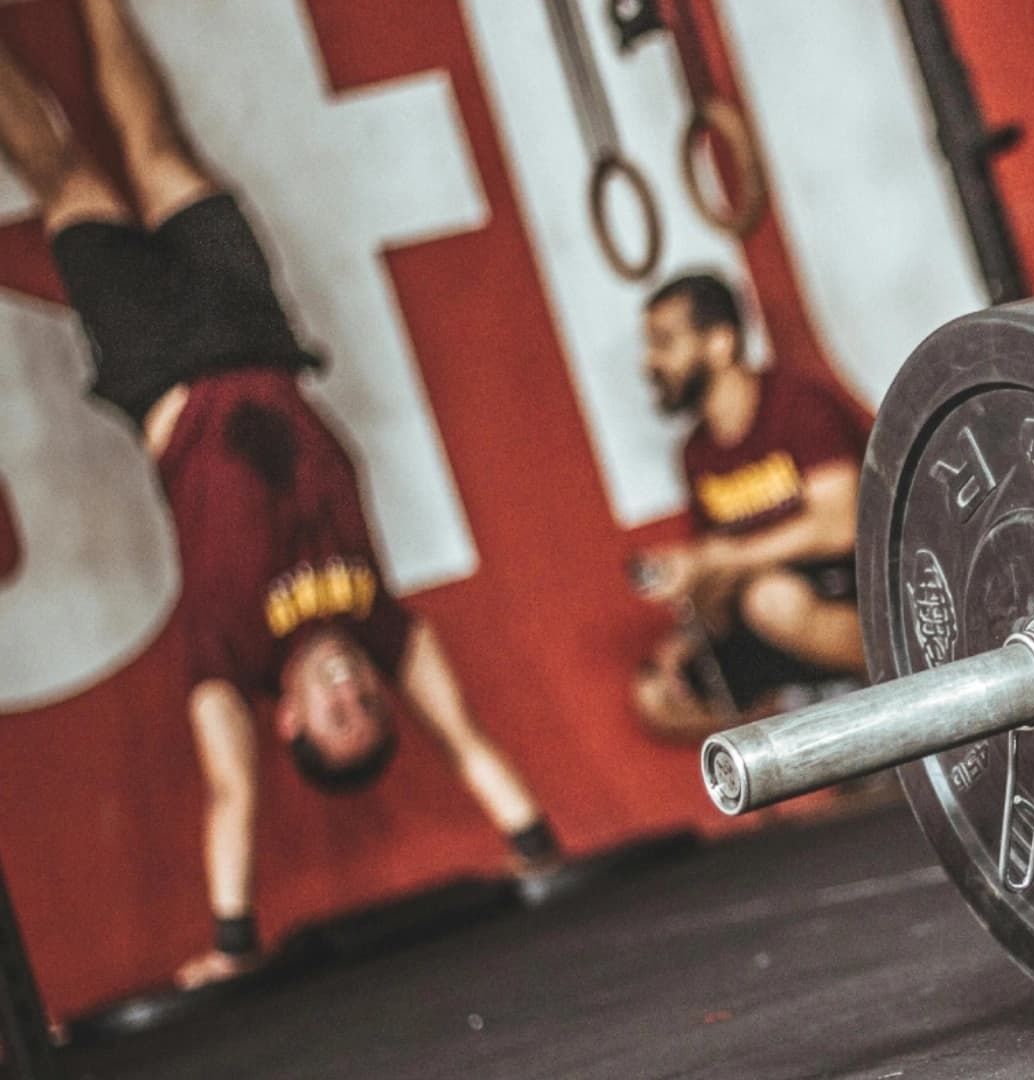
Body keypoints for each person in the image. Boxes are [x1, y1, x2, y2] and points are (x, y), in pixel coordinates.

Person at [0, 1, 561, 990]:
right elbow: (468, 739)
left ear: (293, 721)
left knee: (67, 177)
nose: (352, 690)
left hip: (161, 362)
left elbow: (230, 795)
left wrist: (231, 947)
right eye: (372, 707)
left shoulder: (232, 658)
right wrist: (538, 848)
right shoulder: (379, 623)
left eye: (339, 714)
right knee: (158, 142)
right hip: (250, 330)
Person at [629, 274, 871, 739]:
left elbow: (841, 524)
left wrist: (726, 559)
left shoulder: (797, 404)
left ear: (720, 342)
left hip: (856, 591)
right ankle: (804, 719)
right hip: (771, 618)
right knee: (655, 694)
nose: (649, 363)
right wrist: (692, 596)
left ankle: (905, 690)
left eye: (663, 343)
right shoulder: (696, 453)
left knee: (770, 600)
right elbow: (717, 588)